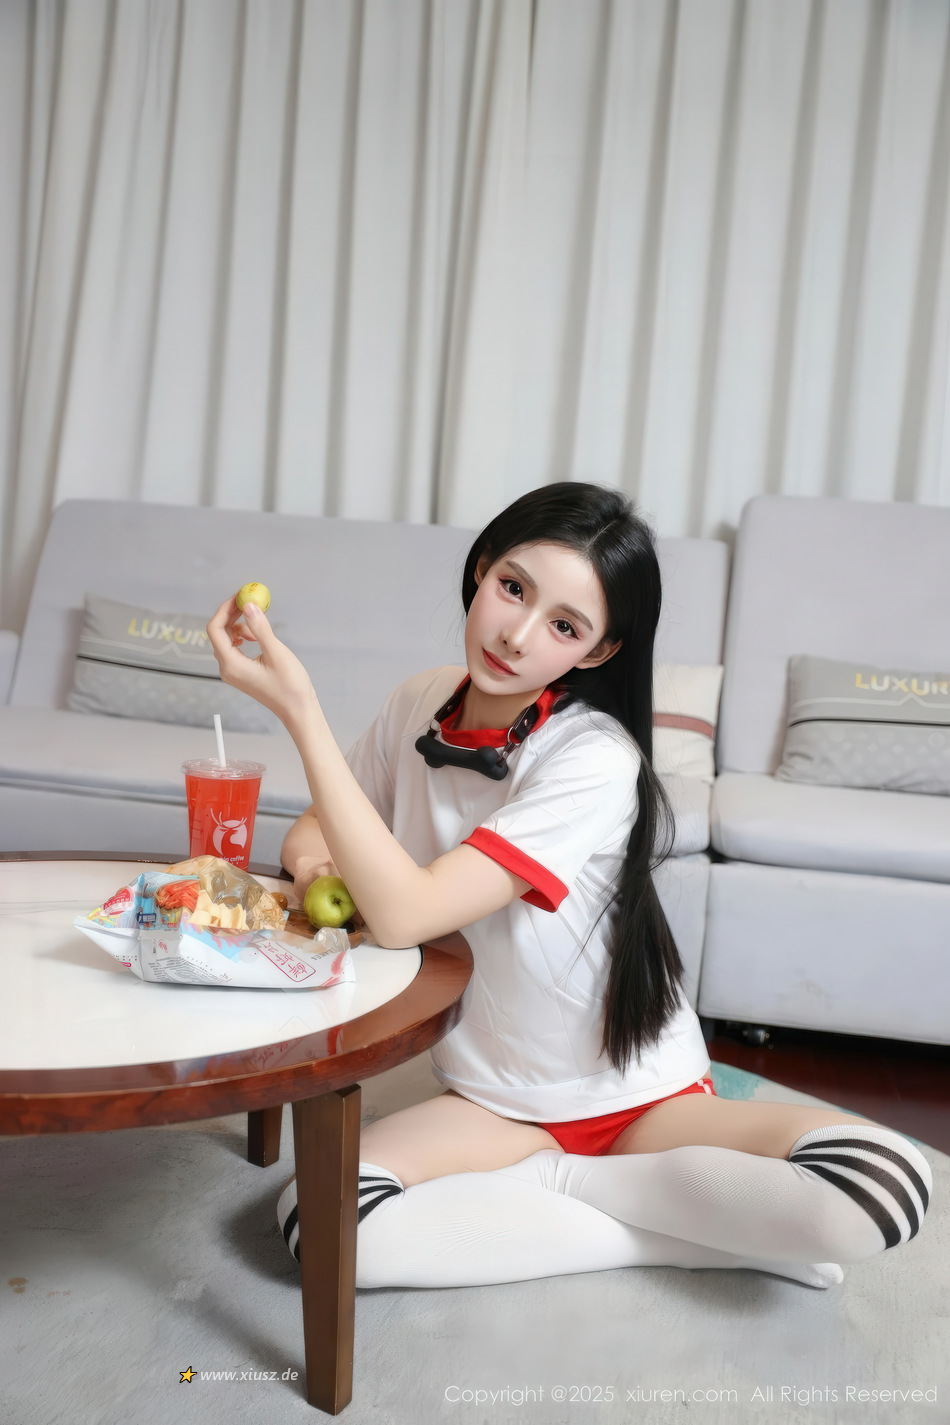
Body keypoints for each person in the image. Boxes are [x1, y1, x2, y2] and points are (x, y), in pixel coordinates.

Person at [206, 482, 932, 1291]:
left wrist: (301, 712)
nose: (515, 635)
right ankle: (670, 1228)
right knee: (322, 1221)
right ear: (481, 567)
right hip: (495, 1104)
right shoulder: (419, 701)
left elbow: (407, 914)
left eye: (564, 625)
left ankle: (556, 1191)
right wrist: (319, 871)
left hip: (642, 1101)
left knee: (884, 1185)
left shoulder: (593, 757)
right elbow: (315, 827)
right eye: (513, 587)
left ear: (597, 650)